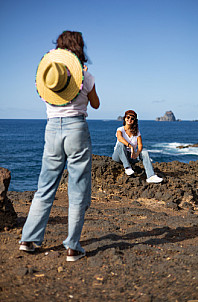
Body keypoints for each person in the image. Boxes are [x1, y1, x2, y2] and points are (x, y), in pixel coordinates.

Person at [19, 31, 100, 261]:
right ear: (80, 48)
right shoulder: (86, 76)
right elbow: (95, 104)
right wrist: (83, 87)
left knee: (45, 186)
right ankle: (72, 247)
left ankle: (29, 239)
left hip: (52, 129)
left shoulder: (48, 76)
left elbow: (49, 98)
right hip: (76, 130)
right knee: (78, 188)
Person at [112, 110, 163, 183]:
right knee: (121, 144)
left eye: (132, 118)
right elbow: (120, 138)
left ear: (135, 120)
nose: (129, 119)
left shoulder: (136, 132)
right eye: (128, 117)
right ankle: (127, 167)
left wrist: (137, 153)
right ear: (125, 118)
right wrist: (131, 147)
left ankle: (151, 176)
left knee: (144, 152)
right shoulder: (120, 129)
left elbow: (140, 145)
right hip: (118, 156)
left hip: (131, 156)